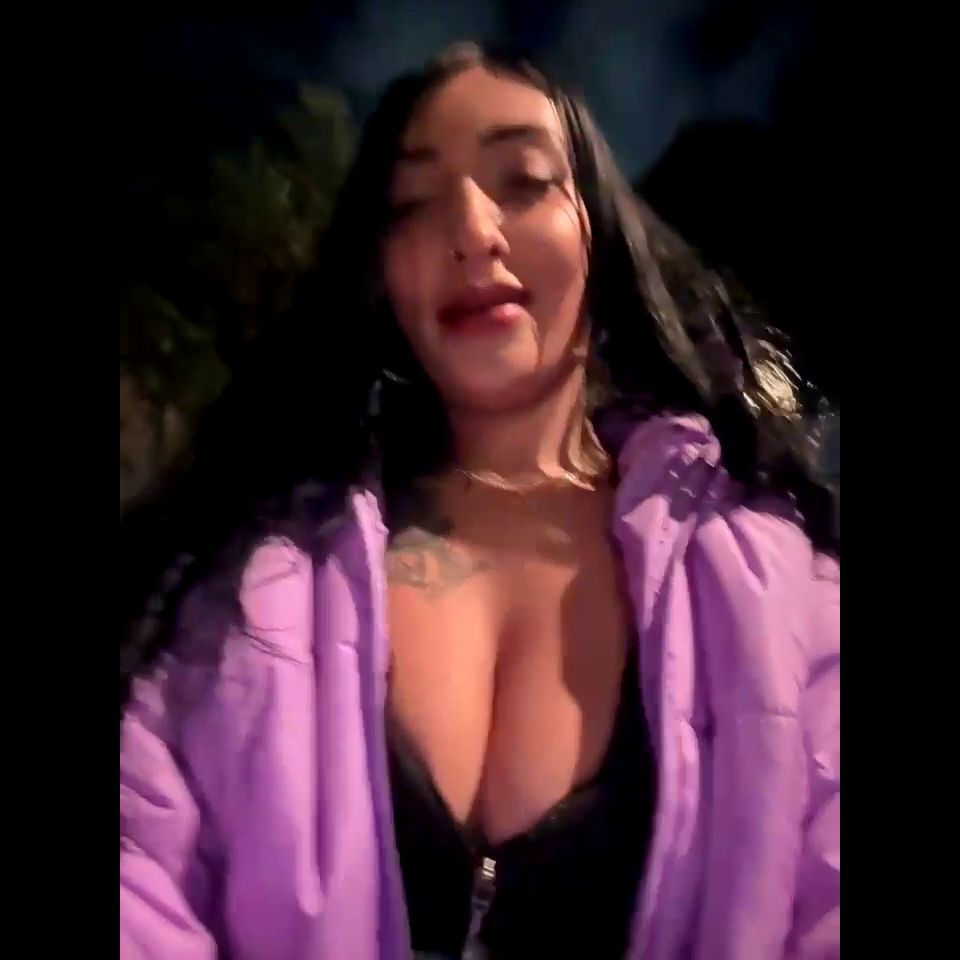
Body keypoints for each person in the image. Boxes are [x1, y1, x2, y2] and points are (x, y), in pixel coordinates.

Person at [119, 43, 839, 960]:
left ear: (599, 235)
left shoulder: (781, 592)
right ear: (383, 271)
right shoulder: (248, 585)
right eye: (413, 202)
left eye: (524, 181)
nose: (468, 228)